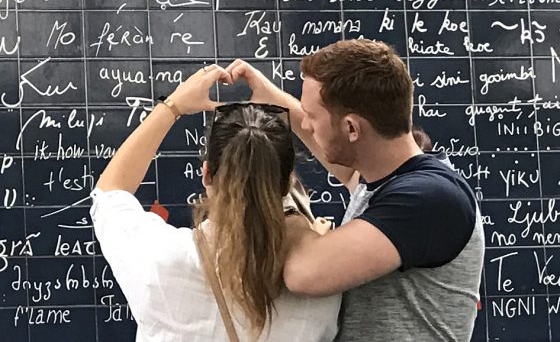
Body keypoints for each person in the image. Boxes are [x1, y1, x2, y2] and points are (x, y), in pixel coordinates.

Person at [225, 39, 485, 341]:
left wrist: (282, 199)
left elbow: (303, 273)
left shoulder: (429, 200)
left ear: (352, 129)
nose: (305, 125)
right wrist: (268, 96)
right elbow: (346, 167)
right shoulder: (385, 178)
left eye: (313, 116)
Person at [90, 65, 341, 342]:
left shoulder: (162, 262)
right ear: (287, 183)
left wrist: (172, 107)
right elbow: (362, 178)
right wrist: (279, 101)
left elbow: (109, 193)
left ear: (207, 173)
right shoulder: (326, 281)